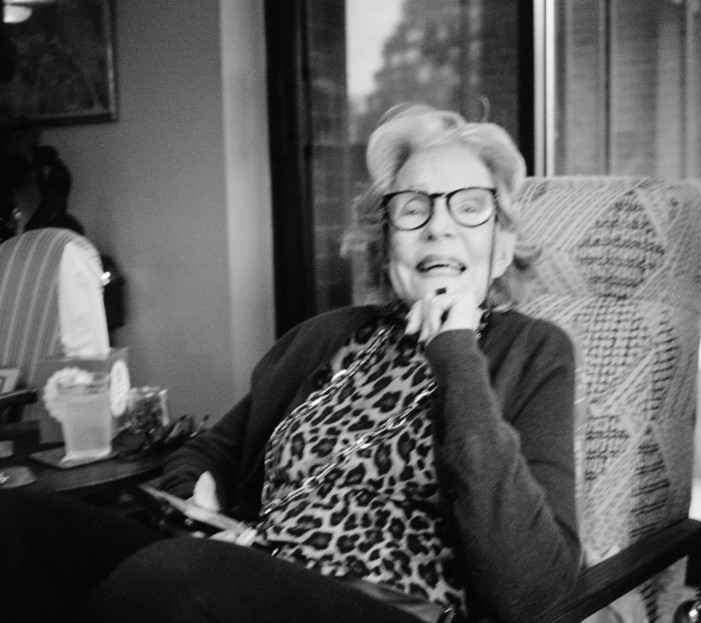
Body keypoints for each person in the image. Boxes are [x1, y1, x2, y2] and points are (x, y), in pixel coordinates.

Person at [0, 104, 580, 623]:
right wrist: (197, 506)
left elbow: (535, 592)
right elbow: (208, 453)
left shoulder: (534, 351)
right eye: (412, 208)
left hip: (391, 603)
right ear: (387, 246)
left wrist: (455, 352)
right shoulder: (326, 337)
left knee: (175, 579)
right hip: (255, 568)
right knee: (15, 524)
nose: (439, 225)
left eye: (470, 207)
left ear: (501, 249)